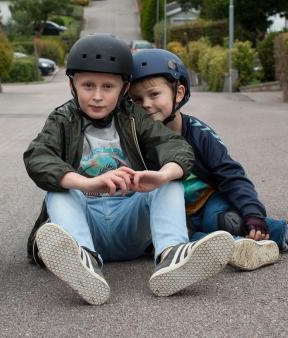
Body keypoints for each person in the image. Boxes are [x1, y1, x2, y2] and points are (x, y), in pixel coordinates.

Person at [23, 33, 235, 306]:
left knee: (169, 181)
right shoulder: (62, 119)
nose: (97, 96)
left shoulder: (133, 117)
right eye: (88, 85)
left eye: (107, 87)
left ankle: (171, 255)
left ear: (124, 88)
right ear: (72, 84)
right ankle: (84, 259)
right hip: (88, 224)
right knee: (59, 191)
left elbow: (175, 146)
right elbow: (38, 156)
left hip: (129, 222)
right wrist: (87, 183)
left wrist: (161, 174)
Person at [128, 49, 288, 271]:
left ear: (178, 93)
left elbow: (231, 175)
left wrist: (253, 214)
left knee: (228, 221)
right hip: (170, 213)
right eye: (137, 99)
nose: (146, 104)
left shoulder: (199, 134)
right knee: (183, 239)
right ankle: (236, 248)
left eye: (154, 95)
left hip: (209, 204)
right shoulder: (132, 138)